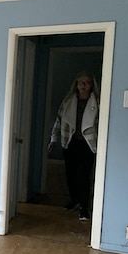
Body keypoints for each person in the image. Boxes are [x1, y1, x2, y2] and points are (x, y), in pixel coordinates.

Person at [48, 71, 99, 221]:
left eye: (87, 82)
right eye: (80, 82)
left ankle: (84, 207)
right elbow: (59, 120)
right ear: (76, 84)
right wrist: (53, 139)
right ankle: (74, 200)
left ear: (91, 85)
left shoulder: (97, 101)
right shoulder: (68, 100)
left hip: (88, 144)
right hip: (70, 142)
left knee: (83, 175)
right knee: (70, 174)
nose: (83, 85)